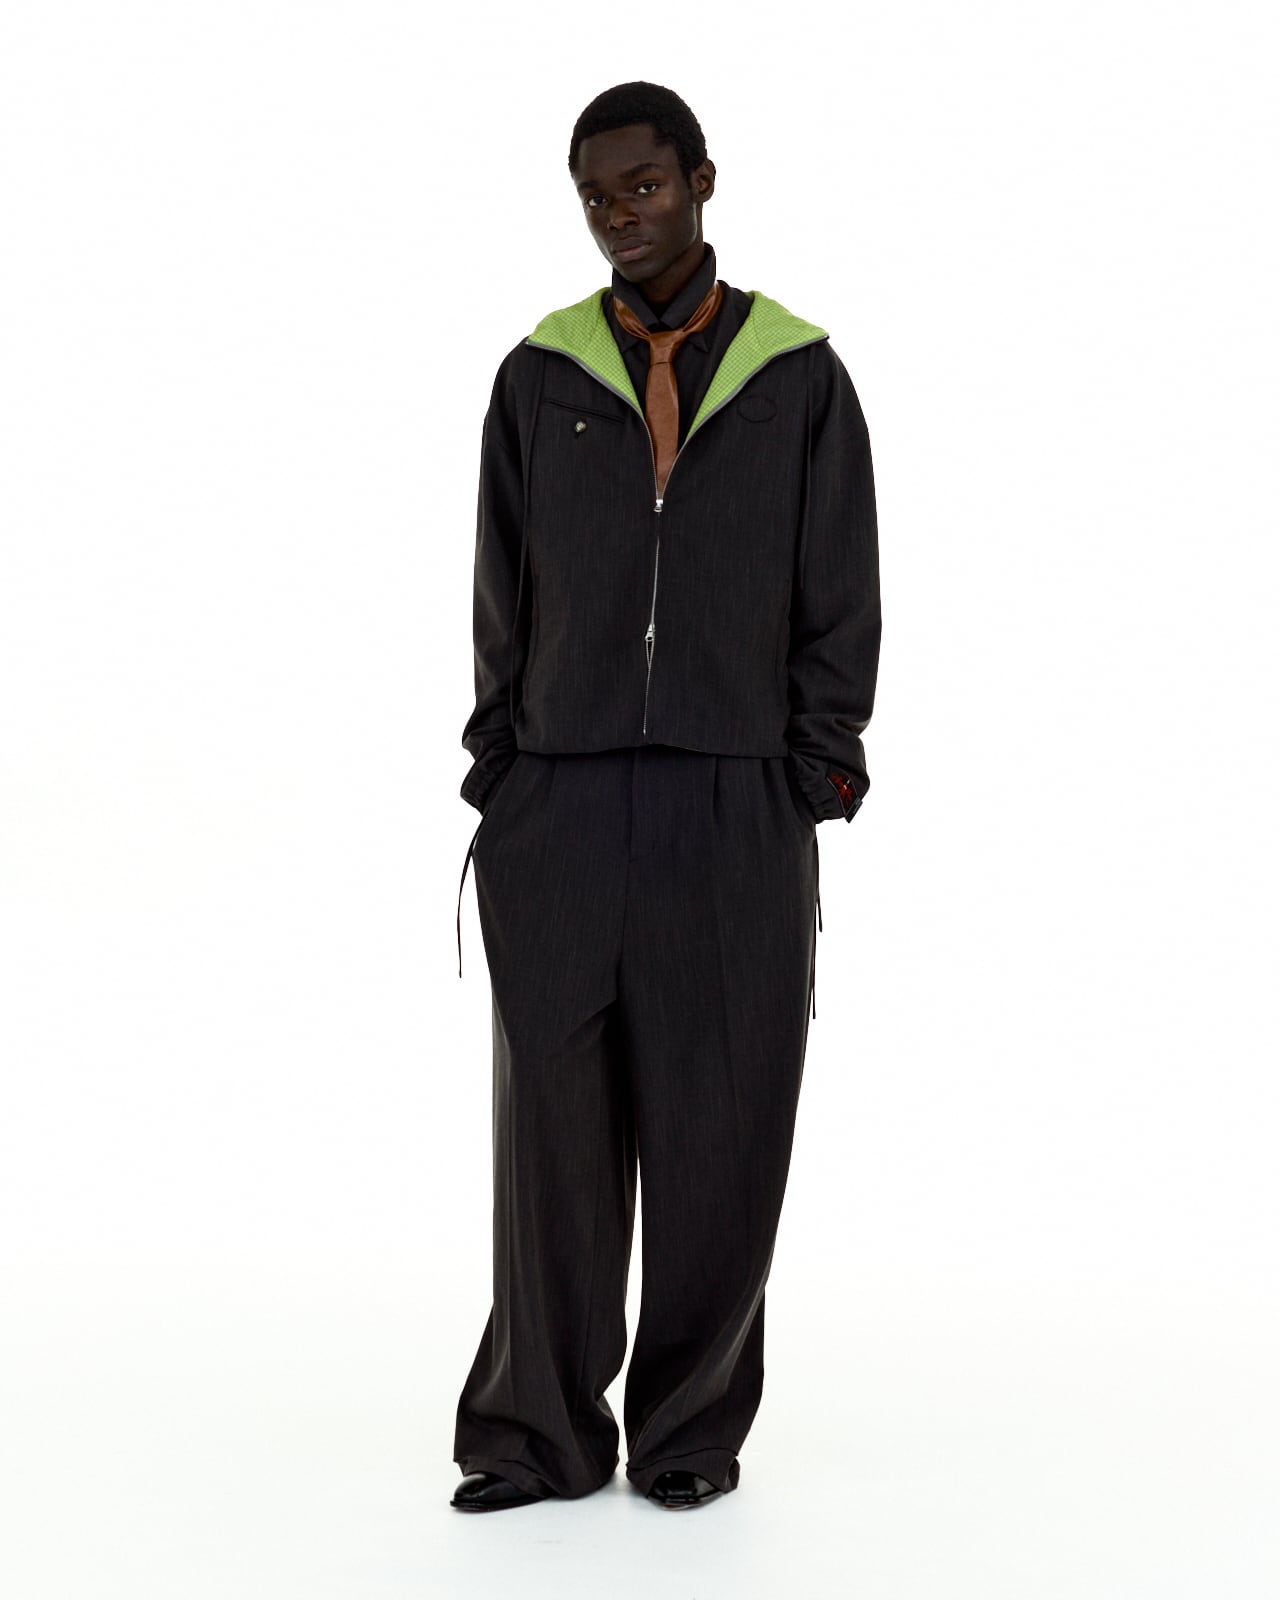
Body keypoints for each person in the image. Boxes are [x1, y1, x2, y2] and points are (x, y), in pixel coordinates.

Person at [450, 80, 881, 1513]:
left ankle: (689, 1433)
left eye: (642, 186)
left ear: (701, 179)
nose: (619, 216)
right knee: (553, 1144)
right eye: (595, 194)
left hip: (731, 801)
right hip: (562, 803)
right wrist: (503, 765)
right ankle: (538, 1435)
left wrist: (814, 765)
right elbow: (500, 582)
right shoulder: (540, 373)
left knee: (721, 1128)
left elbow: (841, 586)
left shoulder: (797, 374)